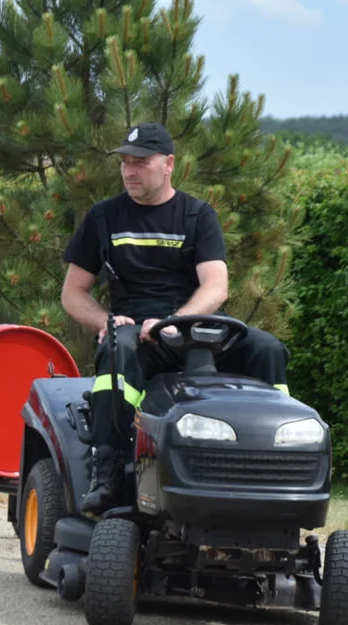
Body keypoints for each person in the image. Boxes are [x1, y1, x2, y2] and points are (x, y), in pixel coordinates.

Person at [61, 122, 290, 515]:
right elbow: (72, 293)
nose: (130, 171)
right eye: (125, 163)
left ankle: (277, 464)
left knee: (267, 349)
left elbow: (216, 287)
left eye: (140, 162)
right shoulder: (103, 218)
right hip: (136, 334)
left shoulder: (198, 215)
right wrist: (105, 321)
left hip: (196, 330)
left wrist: (173, 321)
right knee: (119, 352)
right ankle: (108, 470)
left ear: (168, 164)